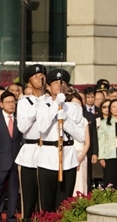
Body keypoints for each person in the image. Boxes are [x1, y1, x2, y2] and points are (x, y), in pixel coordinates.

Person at [36, 69, 86, 212]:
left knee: (64, 204)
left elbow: (80, 136)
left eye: (63, 83)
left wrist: (66, 121)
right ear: (48, 86)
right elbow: (42, 127)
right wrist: (55, 106)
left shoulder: (74, 108)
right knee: (47, 204)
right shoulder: (42, 105)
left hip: (68, 158)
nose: (60, 85)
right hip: (47, 158)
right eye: (55, 82)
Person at [16, 64, 46, 222]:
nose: (40, 78)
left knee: (45, 199)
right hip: (30, 150)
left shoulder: (51, 100)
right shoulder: (25, 102)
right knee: (28, 199)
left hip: (47, 150)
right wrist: (37, 106)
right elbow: (22, 127)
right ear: (29, 82)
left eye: (42, 76)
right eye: (36, 76)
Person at [0, 91, 22, 222]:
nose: (11, 105)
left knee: (14, 191)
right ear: (1, 104)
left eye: (13, 102)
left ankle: (11, 216)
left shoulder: (20, 119)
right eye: (8, 102)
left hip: (16, 160)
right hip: (0, 160)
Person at [97, 99, 117, 187]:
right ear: (110, 109)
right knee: (109, 180)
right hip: (109, 155)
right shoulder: (103, 123)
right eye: (114, 107)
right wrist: (101, 157)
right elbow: (101, 141)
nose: (116, 109)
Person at [68, 92, 91, 196]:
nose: (76, 105)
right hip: (68, 155)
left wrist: (80, 157)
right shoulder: (65, 121)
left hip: (81, 156)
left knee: (80, 183)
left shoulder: (84, 120)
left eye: (79, 103)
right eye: (74, 103)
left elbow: (87, 142)